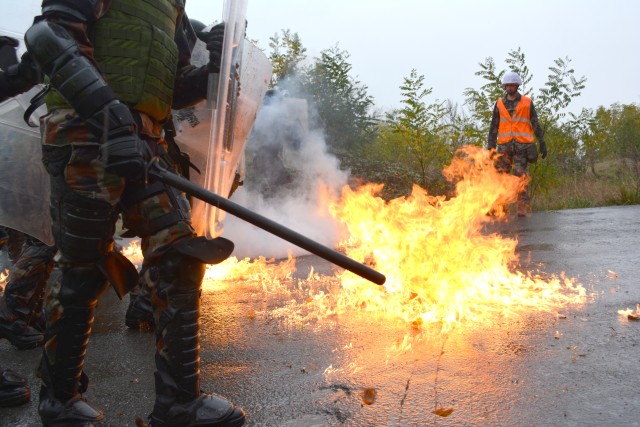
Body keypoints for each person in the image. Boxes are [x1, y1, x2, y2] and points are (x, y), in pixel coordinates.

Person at [19, 2, 245, 426]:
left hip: (146, 143)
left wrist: (214, 65)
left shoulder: (172, 5)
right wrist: (111, 120)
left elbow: (174, 90)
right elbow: (49, 38)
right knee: (83, 268)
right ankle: (59, 399)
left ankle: (179, 403)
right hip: (86, 134)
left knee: (181, 253)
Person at [487, 71, 547, 217]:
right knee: (501, 177)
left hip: (522, 147)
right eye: (508, 85)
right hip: (504, 147)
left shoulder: (527, 102)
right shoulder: (500, 104)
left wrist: (542, 142)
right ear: (505, 86)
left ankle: (522, 208)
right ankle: (499, 208)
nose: (510, 87)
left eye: (513, 85)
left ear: (517, 85)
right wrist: (490, 146)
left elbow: (535, 123)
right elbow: (494, 126)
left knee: (519, 175)